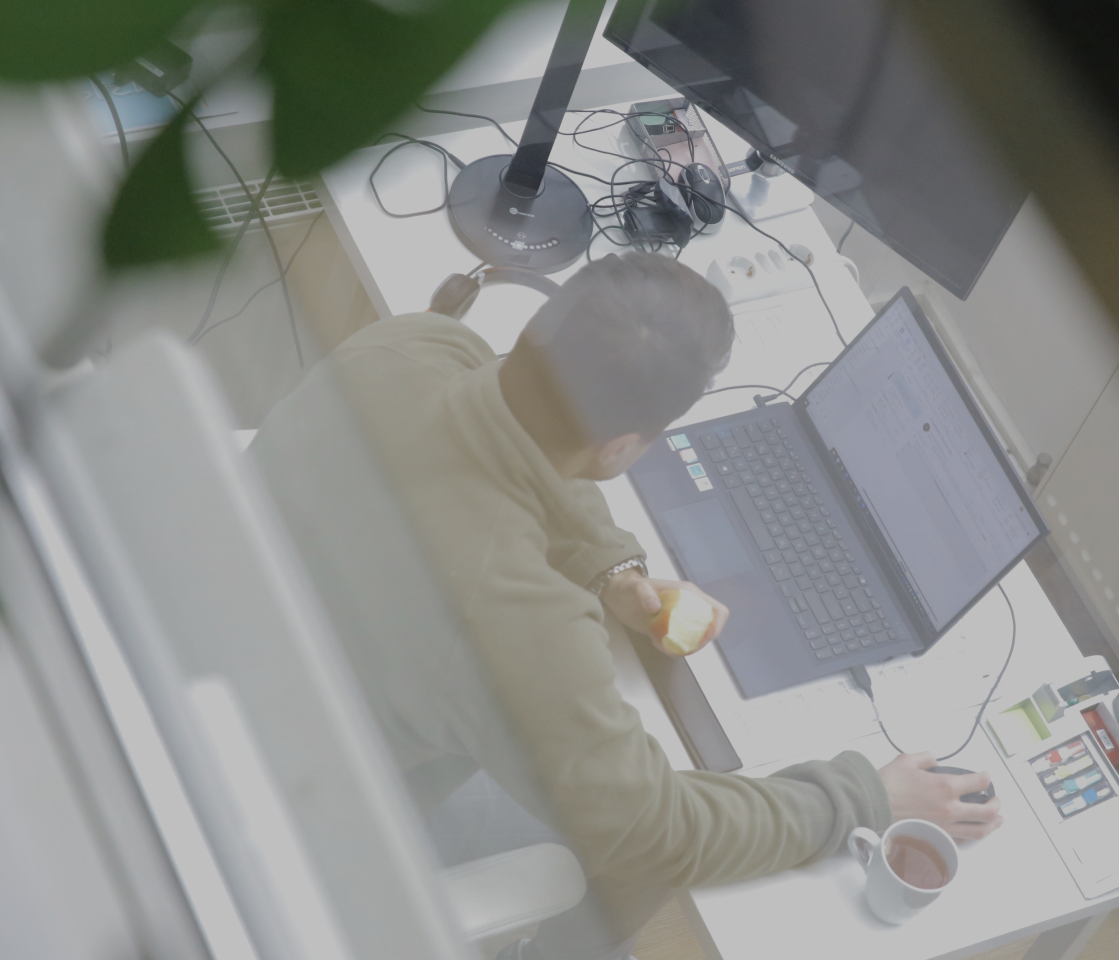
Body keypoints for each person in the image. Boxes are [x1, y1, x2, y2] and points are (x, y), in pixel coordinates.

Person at [256, 253, 1001, 960]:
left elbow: (506, 446)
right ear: (618, 449)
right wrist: (864, 795)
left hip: (244, 679)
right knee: (634, 847)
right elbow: (656, 832)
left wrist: (613, 569)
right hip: (300, 815)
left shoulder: (412, 346)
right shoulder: (527, 624)